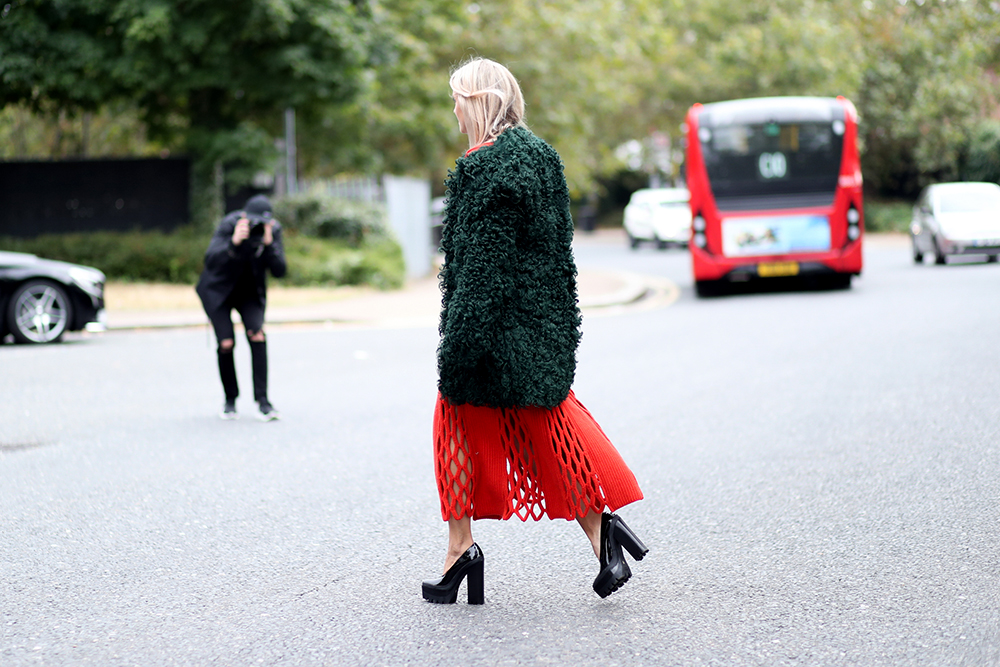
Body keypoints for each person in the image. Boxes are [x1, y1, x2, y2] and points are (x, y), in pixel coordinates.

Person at [421, 58, 647, 605]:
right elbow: (554, 253)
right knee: (550, 436)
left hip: (496, 327)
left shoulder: (484, 167)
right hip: (540, 328)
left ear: (479, 100)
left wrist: (461, 343)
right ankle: (602, 534)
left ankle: (461, 550)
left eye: (458, 97)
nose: (453, 108)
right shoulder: (541, 157)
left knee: (452, 422)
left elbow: (484, 266)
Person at [196, 194, 286, 421]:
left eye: (262, 222)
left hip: (249, 292)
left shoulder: (272, 231)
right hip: (218, 291)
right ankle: (230, 400)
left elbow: (280, 271)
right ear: (244, 216)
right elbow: (210, 260)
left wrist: (270, 245)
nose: (257, 226)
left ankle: (263, 402)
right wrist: (233, 242)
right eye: (253, 221)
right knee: (226, 343)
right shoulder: (229, 225)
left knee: (257, 335)